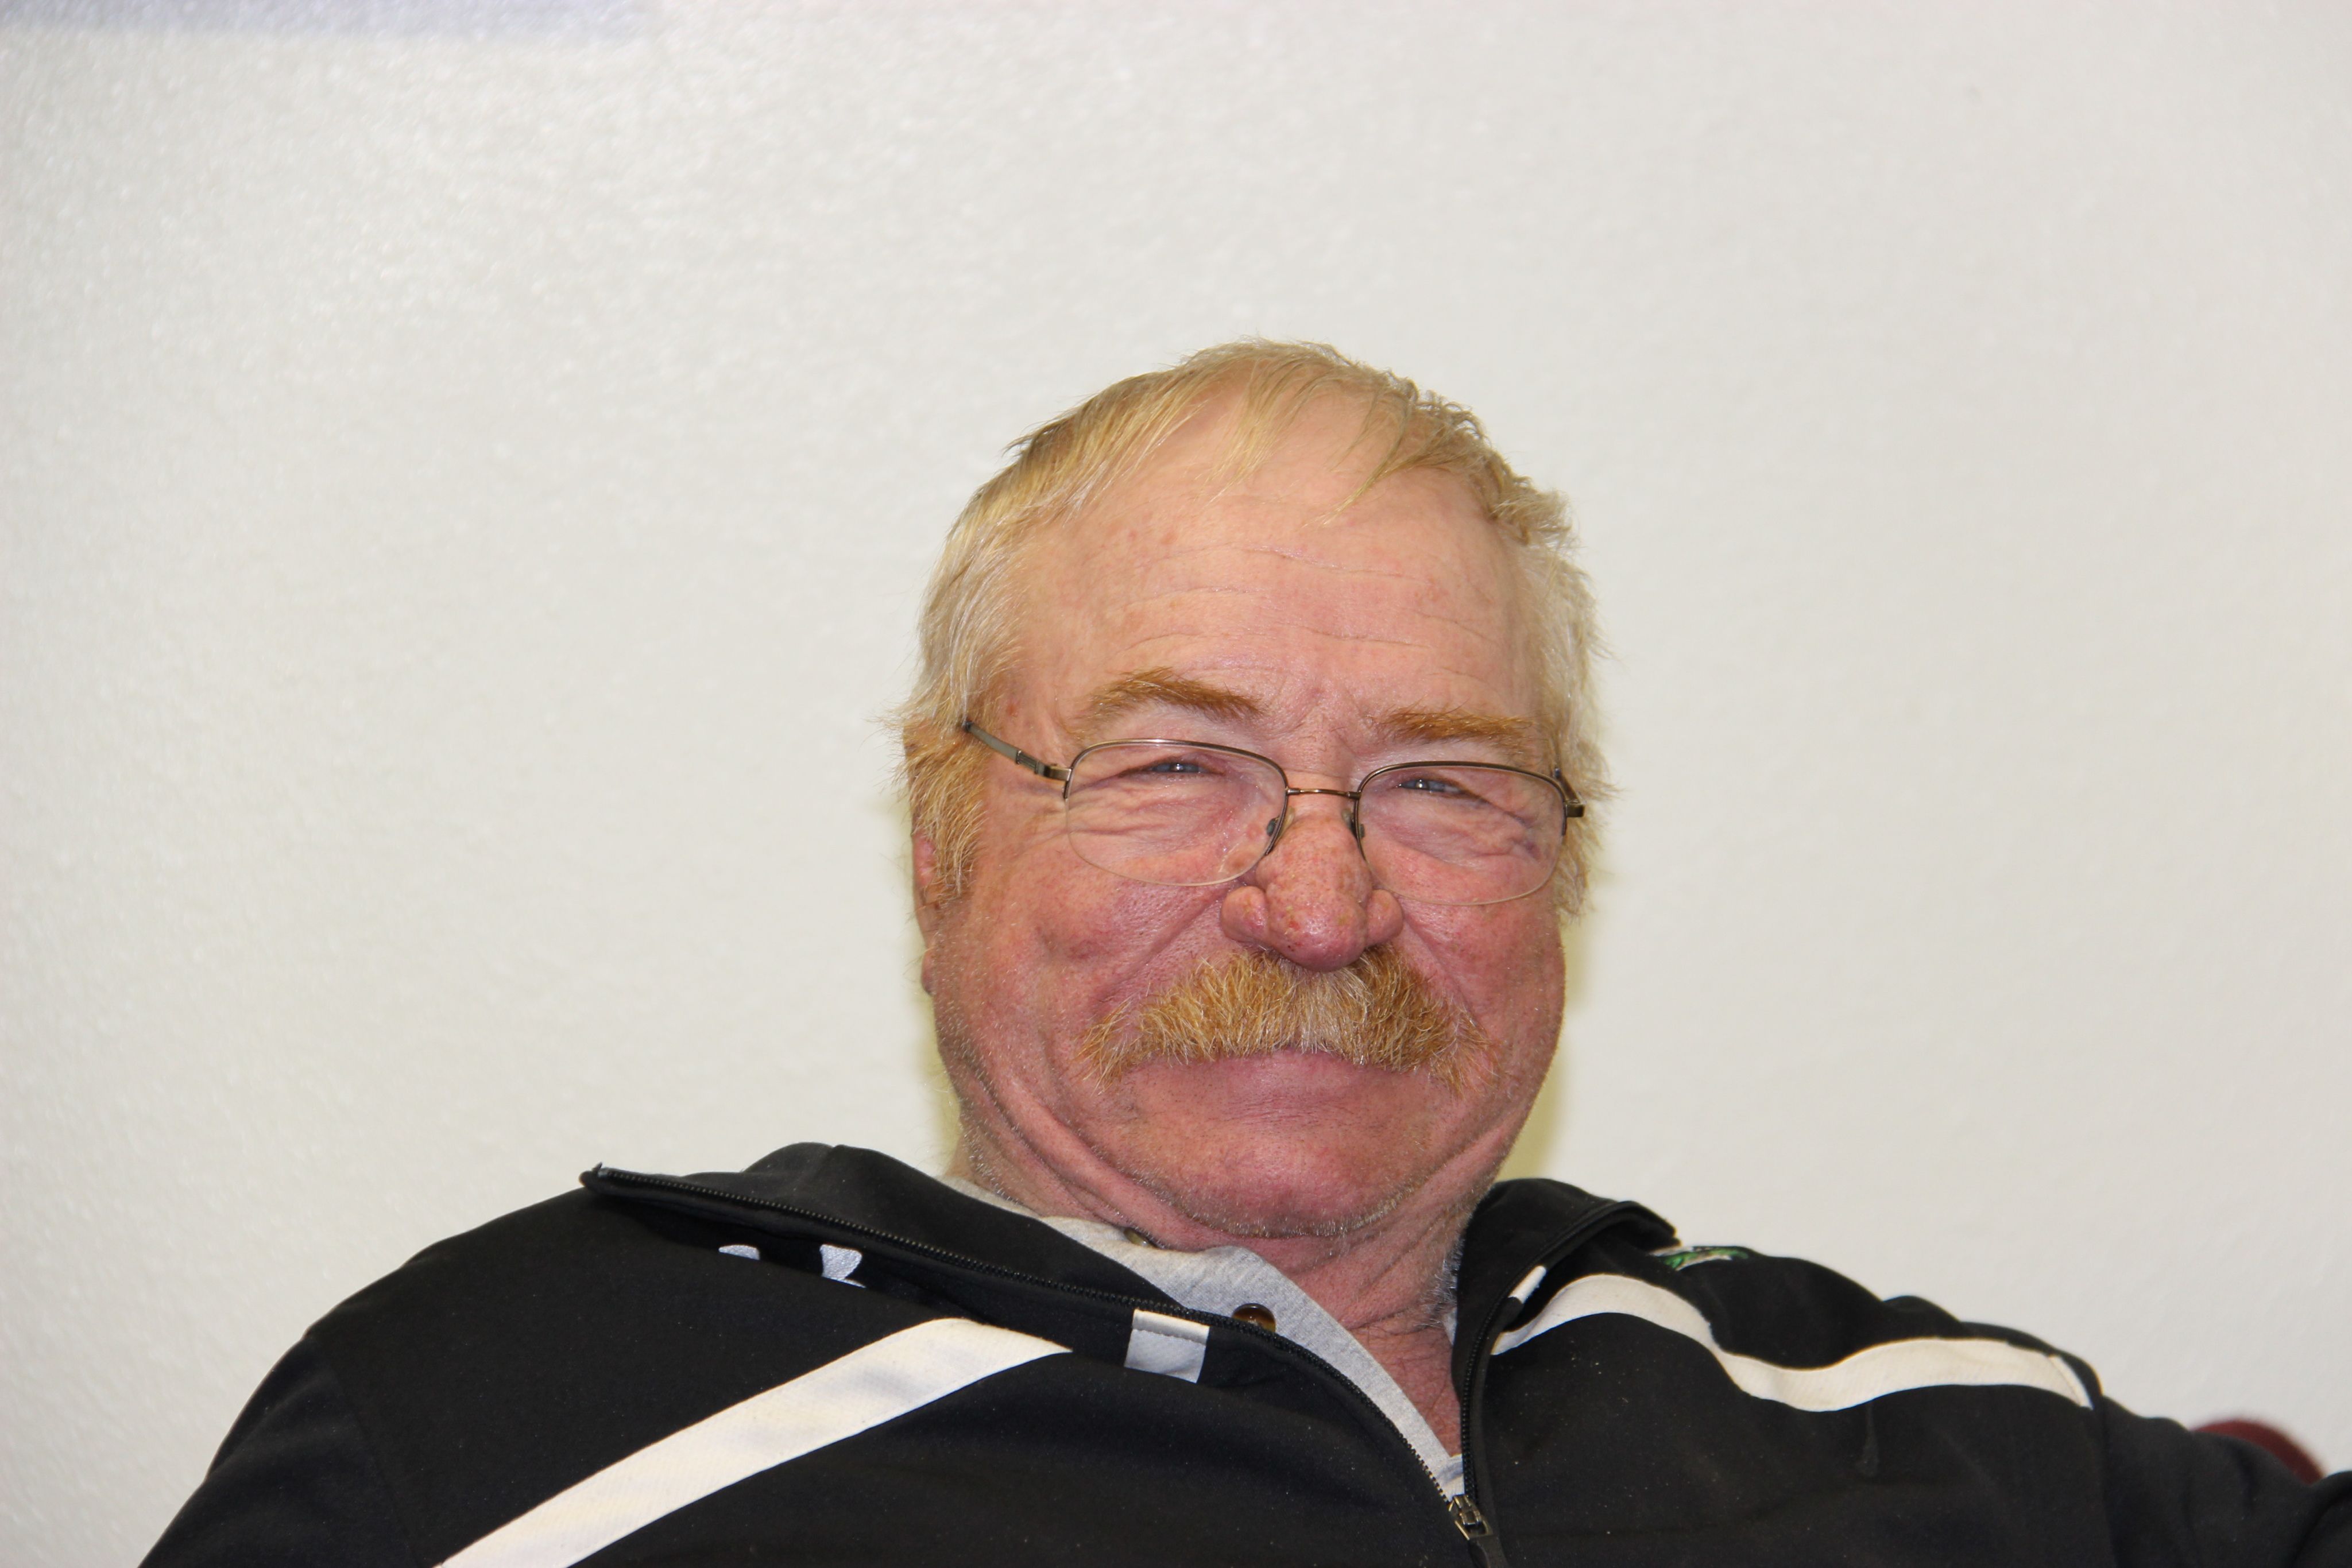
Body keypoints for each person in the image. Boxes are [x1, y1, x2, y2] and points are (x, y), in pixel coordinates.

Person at [144, 342, 2347, 1567]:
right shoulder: (507, 1425)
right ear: (942, 836)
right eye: (1178, 765)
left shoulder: (1928, 1424)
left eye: (1440, 782)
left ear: (1567, 868)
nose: (1317, 904)